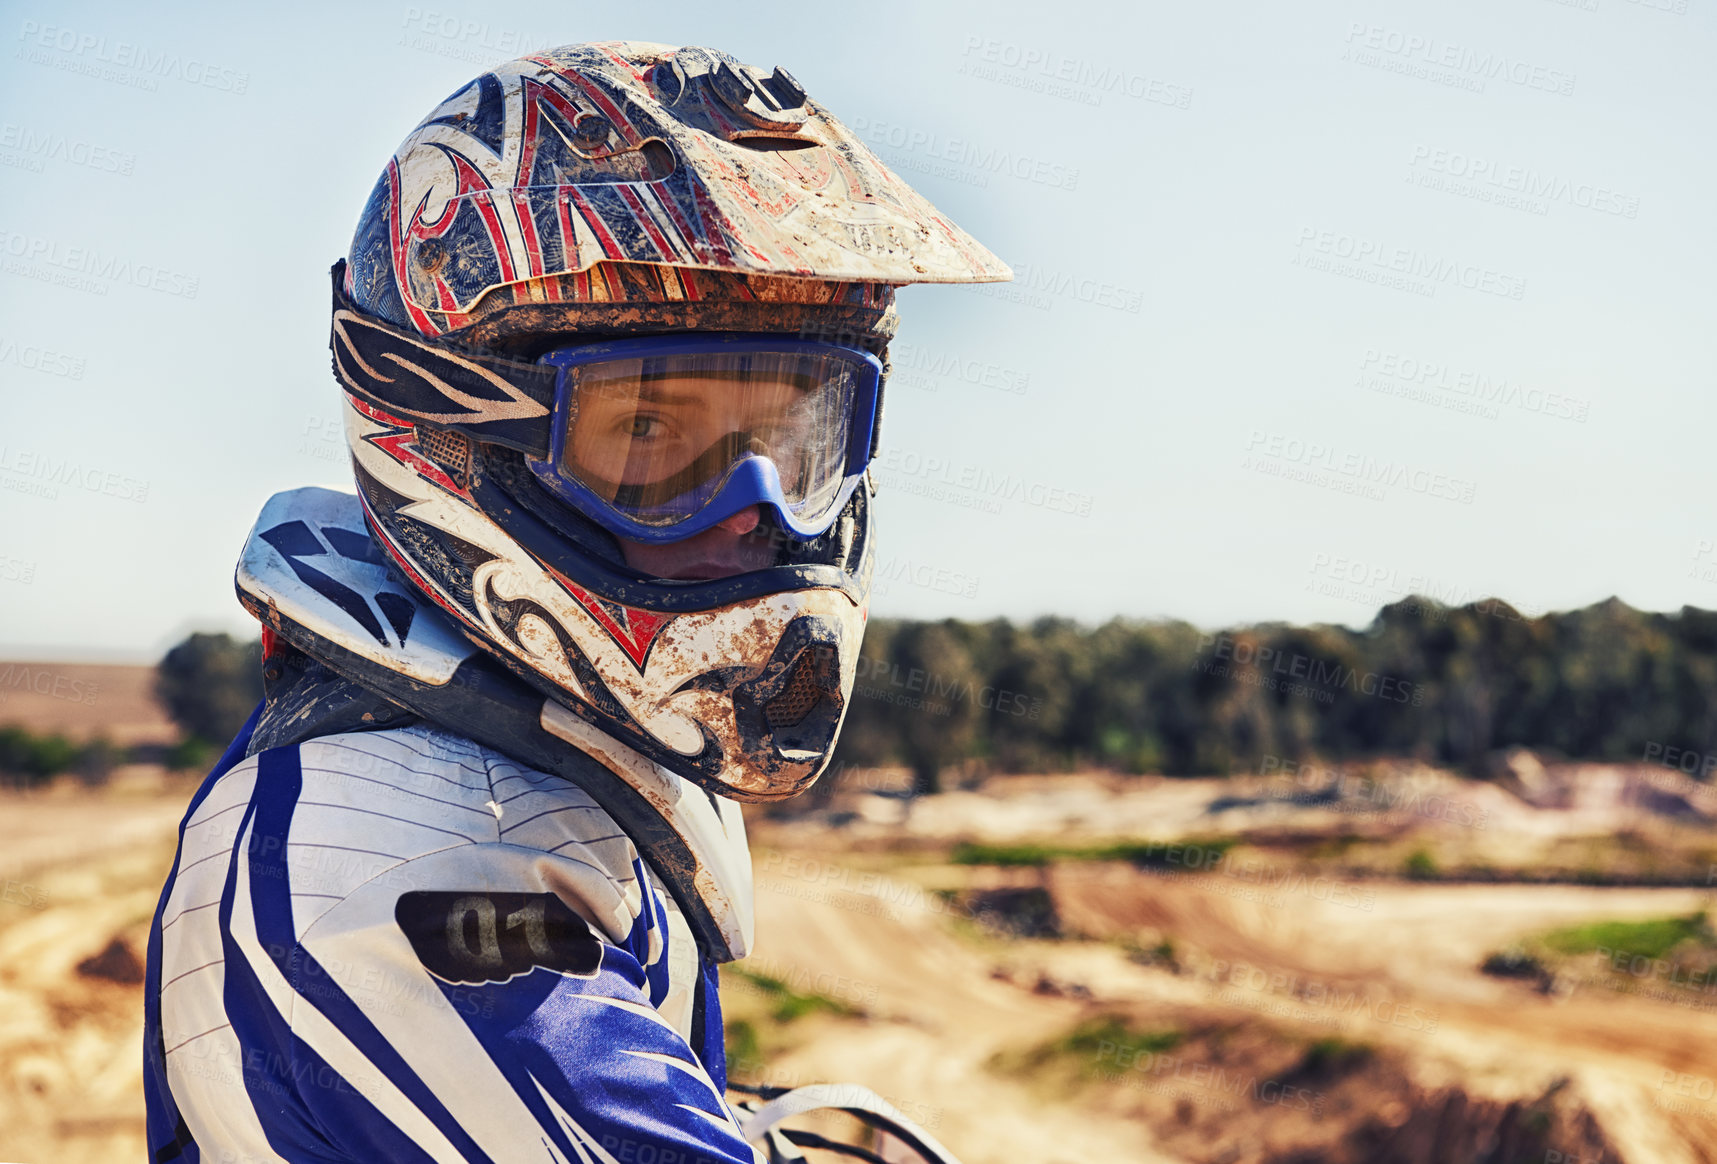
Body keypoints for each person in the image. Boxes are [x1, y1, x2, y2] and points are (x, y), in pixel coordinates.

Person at [142, 41, 1008, 1164]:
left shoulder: (513, 749)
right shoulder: (410, 860)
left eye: (788, 438)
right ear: (460, 431)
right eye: (648, 434)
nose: (751, 513)